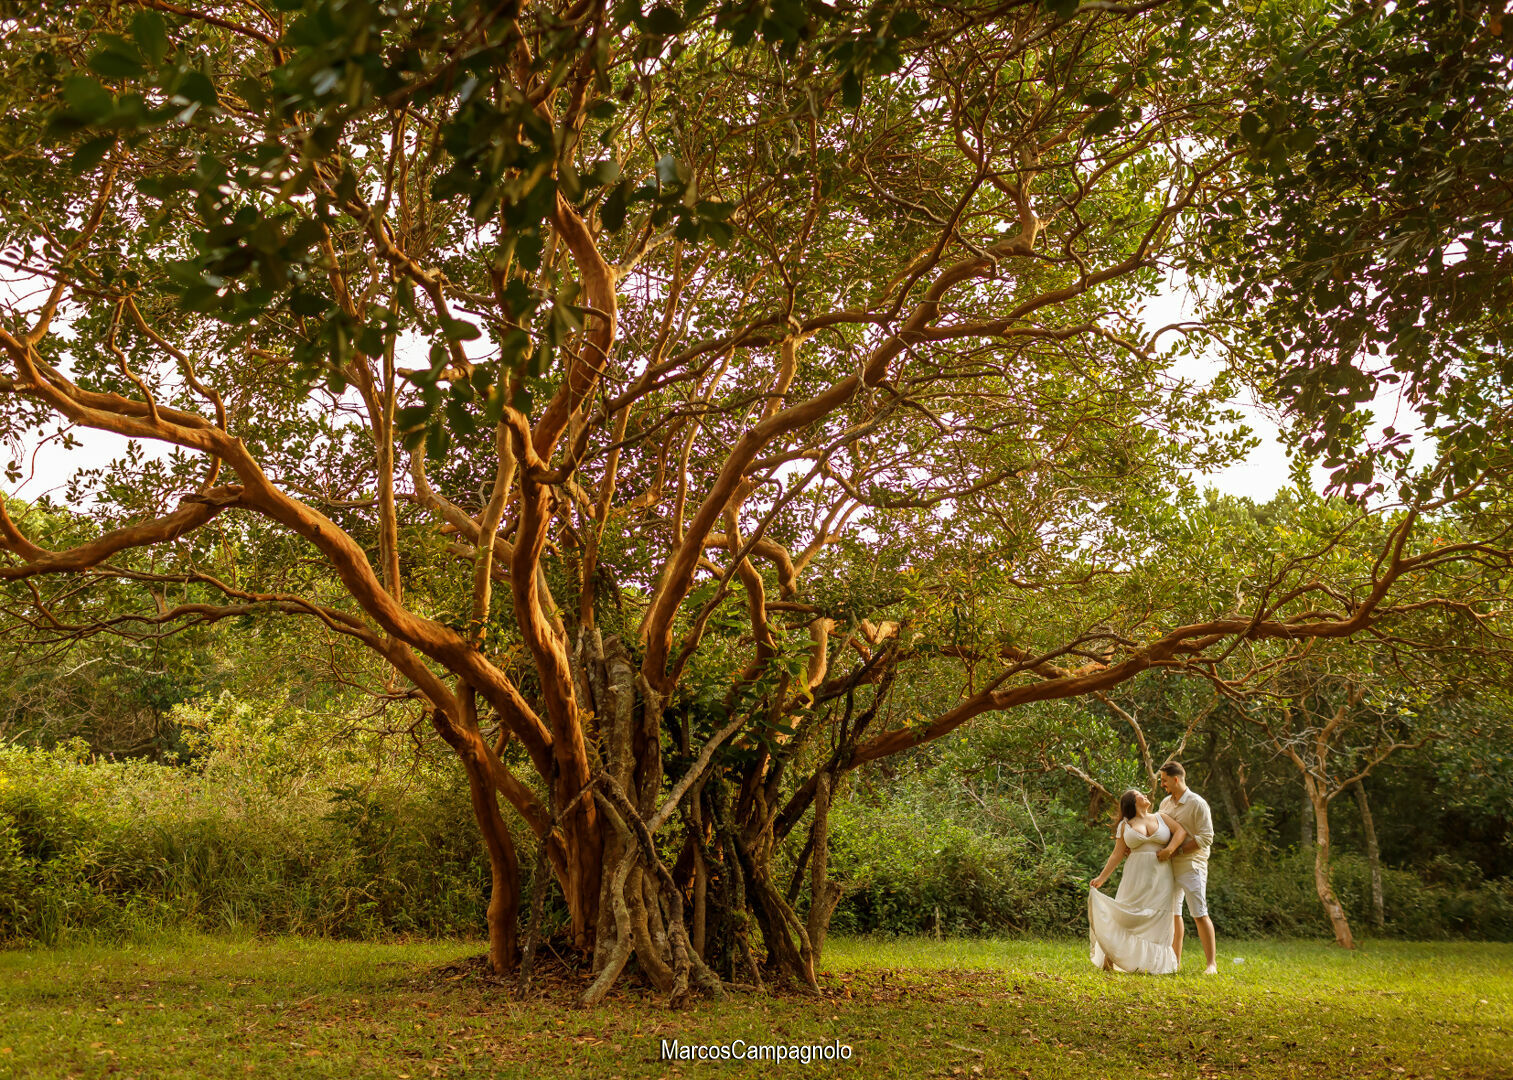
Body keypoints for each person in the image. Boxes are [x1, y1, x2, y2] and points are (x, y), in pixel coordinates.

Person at [1088, 788, 1187, 974]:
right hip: (1135, 875)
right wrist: (1101, 878)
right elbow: (1116, 855)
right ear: (1132, 802)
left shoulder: (1162, 817)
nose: (1145, 795)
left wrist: (1170, 850)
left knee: (1158, 917)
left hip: (1161, 876)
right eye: (1140, 794)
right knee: (1125, 914)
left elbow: (1180, 831)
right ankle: (1110, 959)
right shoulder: (1125, 825)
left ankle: (1155, 965)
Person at [1157, 760, 1218, 974]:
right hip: (1169, 865)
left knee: (1199, 913)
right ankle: (1175, 962)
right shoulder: (1165, 804)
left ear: (1176, 779)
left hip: (1193, 864)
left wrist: (1179, 850)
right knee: (1173, 913)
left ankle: (1211, 965)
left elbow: (1206, 837)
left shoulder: (1197, 803)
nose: (1162, 784)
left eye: (1164, 781)